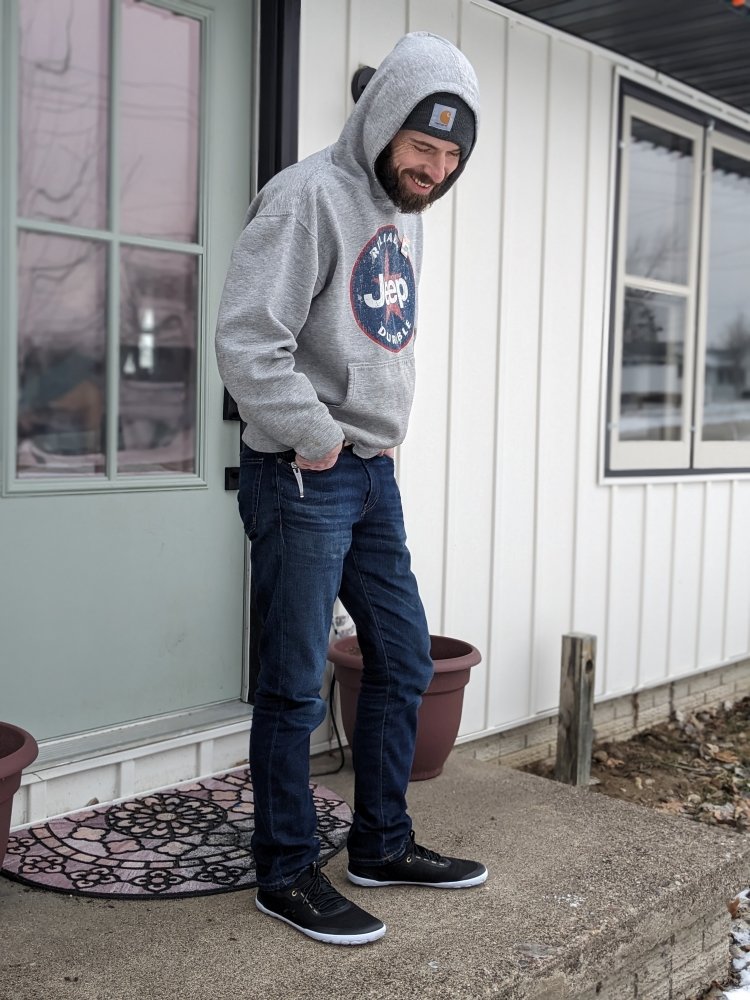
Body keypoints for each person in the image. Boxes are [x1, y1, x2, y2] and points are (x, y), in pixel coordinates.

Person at [215, 31, 486, 946]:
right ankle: (286, 871)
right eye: (423, 146)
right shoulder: (308, 199)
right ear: (382, 123)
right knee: (293, 687)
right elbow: (251, 340)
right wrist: (321, 438)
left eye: (451, 156)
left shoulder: (396, 209)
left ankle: (380, 844)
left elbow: (371, 341)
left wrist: (370, 446)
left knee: (404, 661)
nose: (434, 168)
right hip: (305, 473)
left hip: (370, 477)